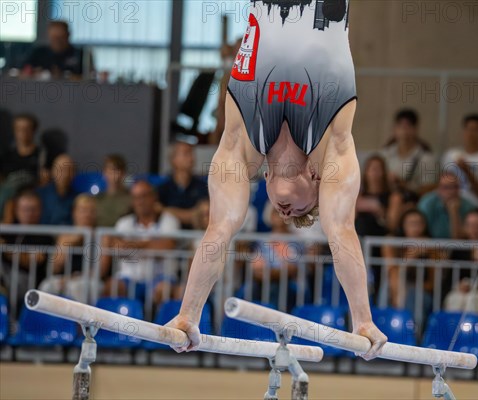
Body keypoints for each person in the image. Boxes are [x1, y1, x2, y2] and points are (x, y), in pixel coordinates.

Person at [166, 1, 387, 359]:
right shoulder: (334, 151)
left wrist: (188, 315)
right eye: (301, 209)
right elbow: (341, 230)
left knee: (223, 223)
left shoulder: (238, 148)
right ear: (318, 183)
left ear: (266, 180)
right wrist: (362, 320)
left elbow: (217, 233)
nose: (286, 212)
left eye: (284, 214)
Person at [101, 181, 180, 306]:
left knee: (163, 290)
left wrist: (131, 245)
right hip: (129, 279)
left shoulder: (169, 220)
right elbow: (117, 248)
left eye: (144, 196)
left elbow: (166, 247)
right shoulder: (124, 222)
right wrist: (150, 244)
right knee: (111, 287)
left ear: (154, 197)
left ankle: (159, 325)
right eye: (136, 197)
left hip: (161, 278)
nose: (140, 201)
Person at [38, 194, 99, 303]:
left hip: (89, 281)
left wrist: (75, 277)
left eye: (91, 211)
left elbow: (101, 271)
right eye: (83, 210)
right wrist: (73, 241)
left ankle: (79, 321)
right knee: (46, 285)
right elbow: (54, 268)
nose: (87, 215)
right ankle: (45, 320)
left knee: (76, 287)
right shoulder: (64, 236)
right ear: (74, 213)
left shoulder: (101, 236)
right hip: (65, 278)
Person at [0, 190, 54, 308]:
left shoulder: (44, 236)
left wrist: (5, 250)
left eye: (33, 209)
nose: (29, 213)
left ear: (40, 210)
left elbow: (32, 261)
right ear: (16, 210)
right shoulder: (9, 231)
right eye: (25, 209)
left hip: (27, 282)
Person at [441, 114, 478, 206]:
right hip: (447, 200)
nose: (470, 134)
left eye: (475, 130)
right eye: (468, 129)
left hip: (472, 204)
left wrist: (467, 171)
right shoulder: (450, 154)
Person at [380, 109, 437, 196]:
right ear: (395, 129)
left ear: (415, 129)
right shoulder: (385, 154)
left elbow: (429, 189)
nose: (404, 132)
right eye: (400, 127)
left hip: (413, 204)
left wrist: (404, 184)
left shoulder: (426, 158)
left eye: (408, 126)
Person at [158, 141, 209, 229]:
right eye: (186, 153)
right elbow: (155, 211)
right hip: (169, 237)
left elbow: (201, 216)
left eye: (192, 153)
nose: (192, 158)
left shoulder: (203, 186)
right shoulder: (163, 188)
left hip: (196, 235)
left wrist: (165, 210)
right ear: (173, 159)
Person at [21, 20, 93, 79]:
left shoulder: (81, 54)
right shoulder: (38, 53)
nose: (58, 41)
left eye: (61, 37)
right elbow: (22, 73)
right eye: (54, 38)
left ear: (68, 35)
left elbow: (90, 77)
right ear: (49, 36)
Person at [418, 172, 478, 239]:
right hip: (431, 245)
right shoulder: (427, 203)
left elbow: (460, 239)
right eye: (446, 187)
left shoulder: (468, 206)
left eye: (455, 187)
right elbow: (419, 232)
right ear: (439, 188)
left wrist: (454, 213)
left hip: (459, 247)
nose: (452, 191)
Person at [37, 154, 77, 225]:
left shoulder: (78, 198)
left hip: (69, 234)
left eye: (70, 170)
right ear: (52, 172)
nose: (65, 174)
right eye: (61, 169)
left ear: (74, 174)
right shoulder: (39, 196)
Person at [95, 154, 132, 227]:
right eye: (112, 170)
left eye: (119, 170)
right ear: (104, 172)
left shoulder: (132, 199)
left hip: (123, 236)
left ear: (124, 173)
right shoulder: (96, 200)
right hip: (100, 236)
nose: (116, 175)